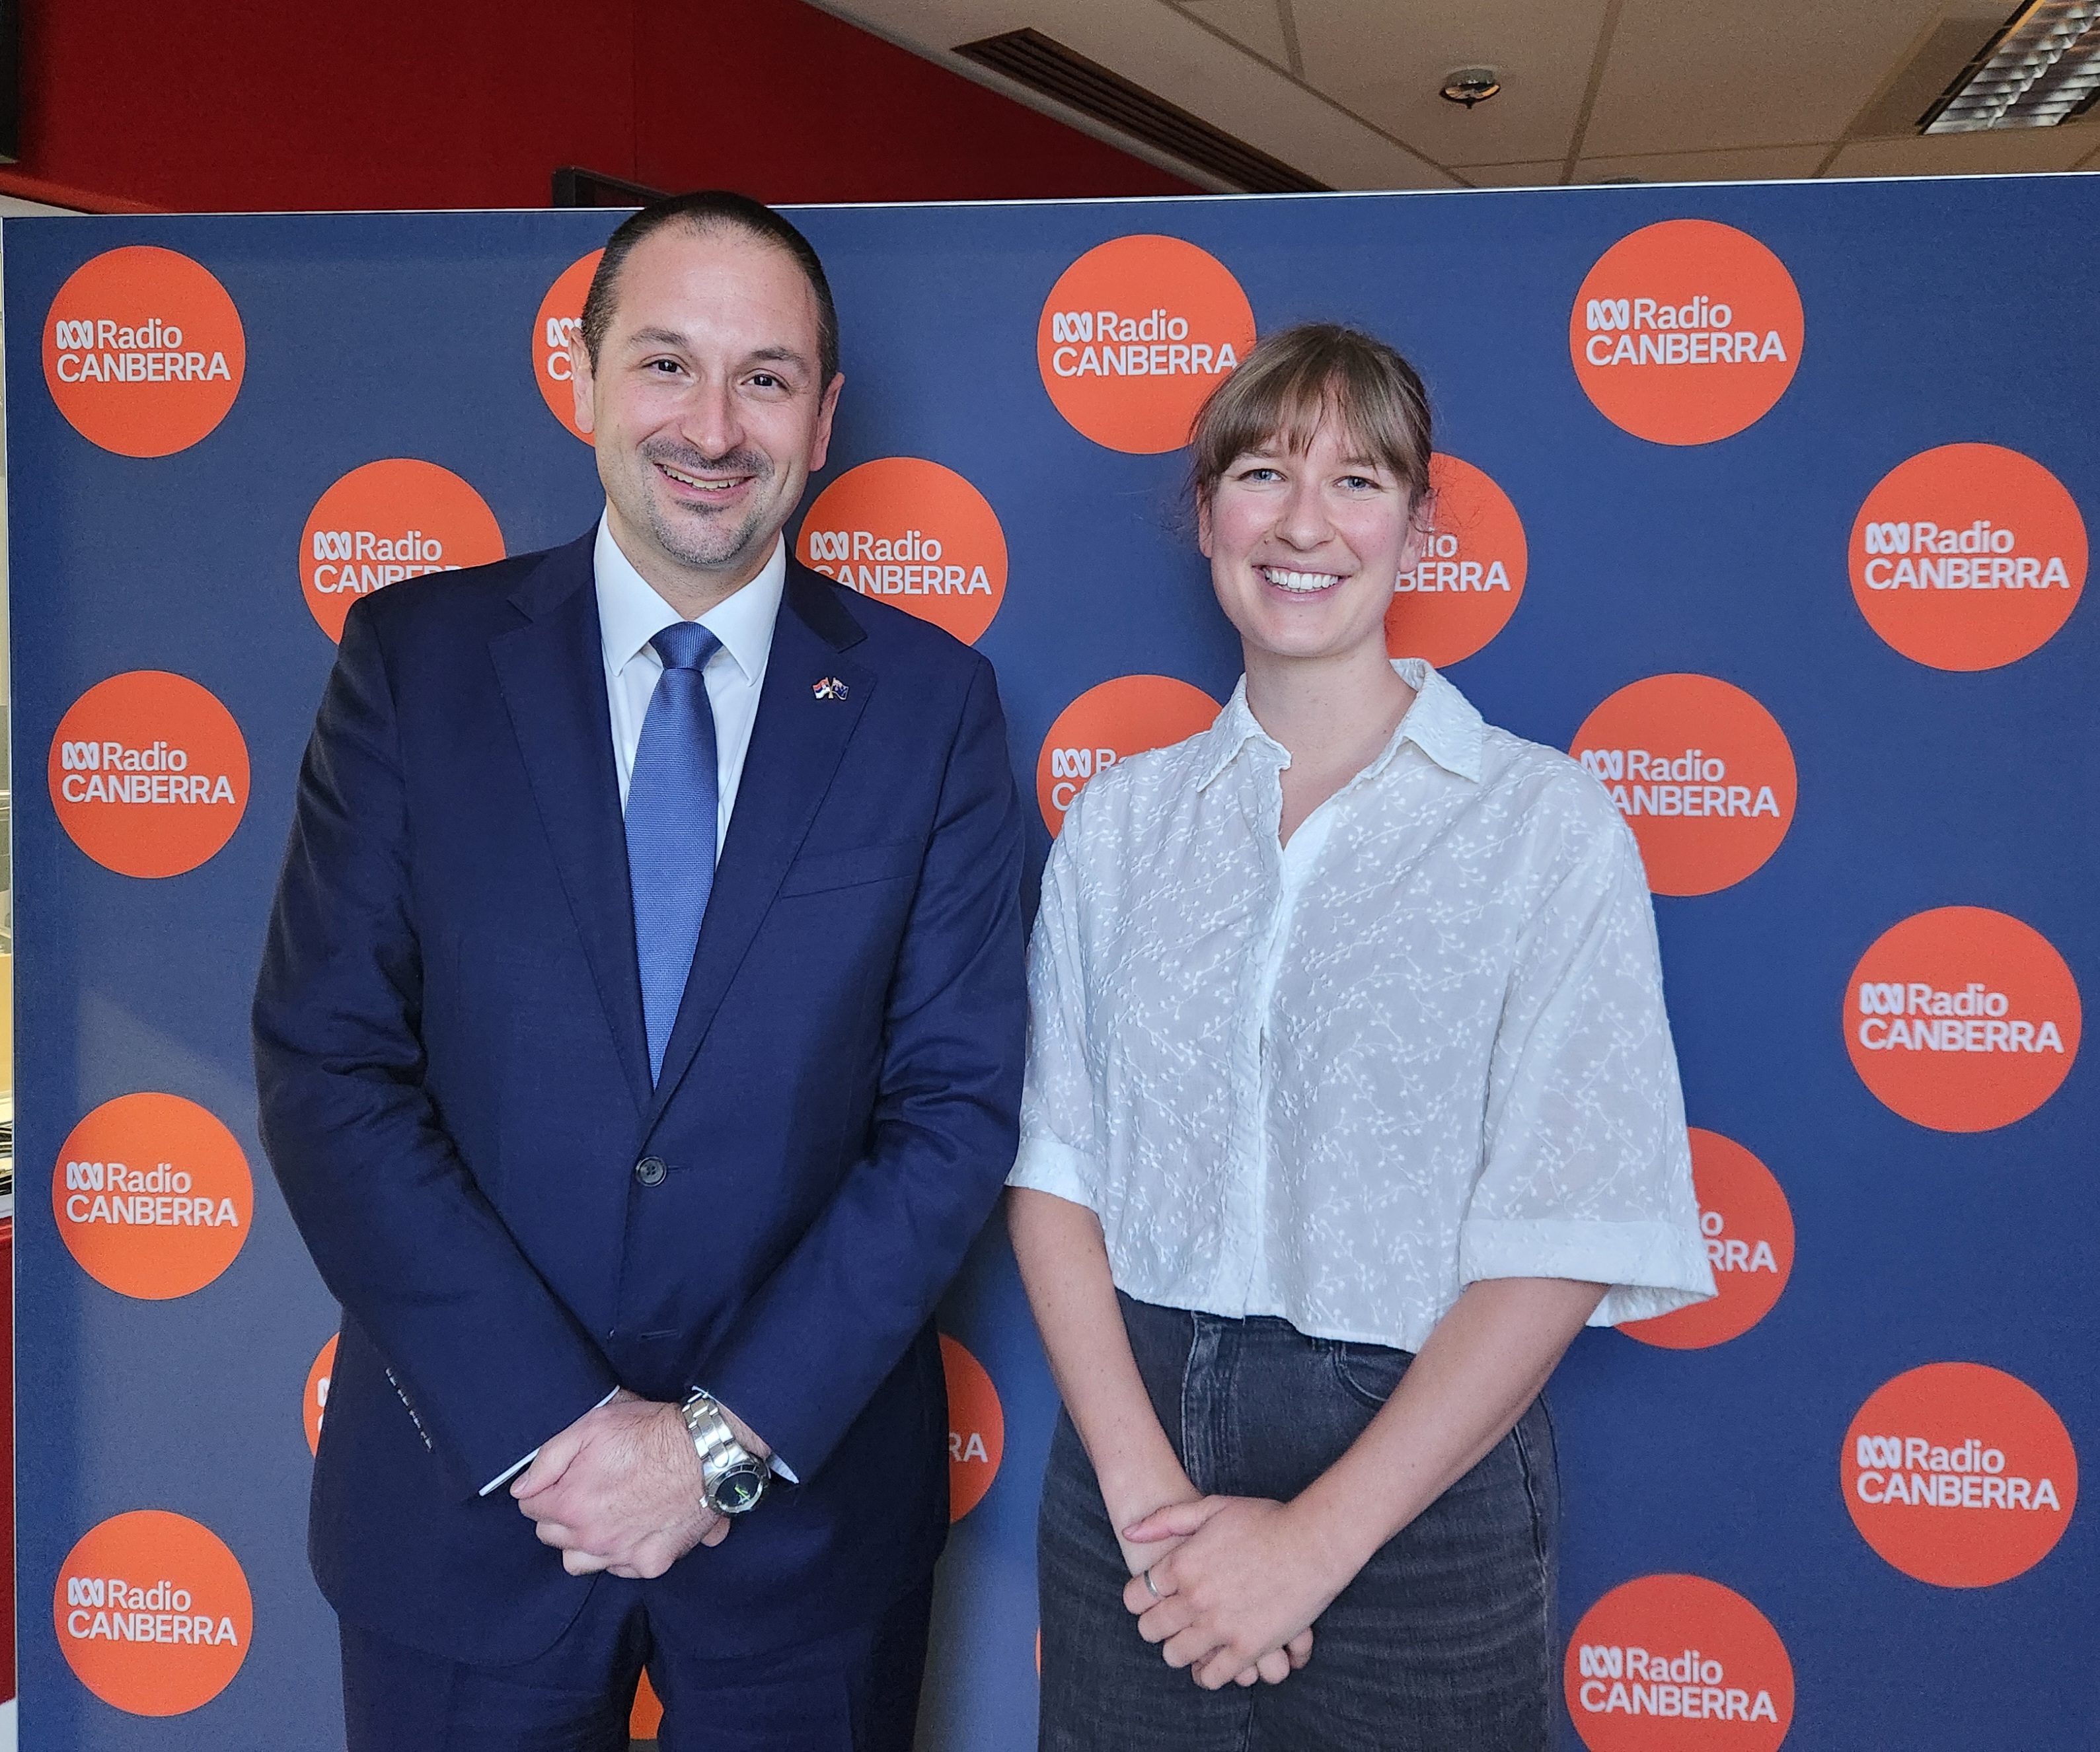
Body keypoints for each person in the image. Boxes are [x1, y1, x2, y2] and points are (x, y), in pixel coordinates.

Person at [253, 190, 1026, 1751]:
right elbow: (333, 1063)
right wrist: (552, 1426)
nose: (713, 427)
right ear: (586, 378)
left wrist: (714, 1449)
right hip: (470, 1516)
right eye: (667, 363)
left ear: (823, 419)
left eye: (764, 378)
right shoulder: (412, 664)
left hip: (803, 1538)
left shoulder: (930, 705)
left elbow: (949, 1113)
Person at [1008, 322, 1716, 1751]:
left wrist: (1313, 1545)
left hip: (1419, 1493)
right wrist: (1148, 1511)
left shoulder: (1540, 825)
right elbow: (1053, 1176)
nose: (1303, 524)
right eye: (1261, 474)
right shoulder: (1122, 824)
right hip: (1128, 1469)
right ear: (1207, 512)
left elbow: (1567, 1224)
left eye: (1356, 481)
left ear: (1416, 524)